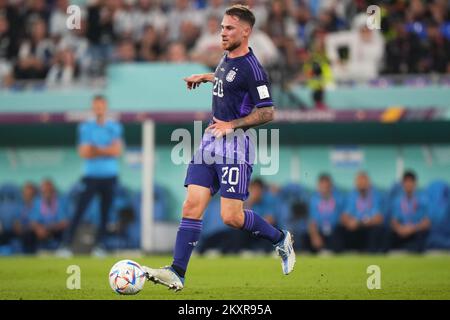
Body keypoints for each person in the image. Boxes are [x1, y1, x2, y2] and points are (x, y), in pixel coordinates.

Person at [143, 5, 295, 292]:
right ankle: (177, 272)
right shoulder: (226, 57)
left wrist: (232, 125)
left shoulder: (254, 69)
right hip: (210, 140)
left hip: (235, 147)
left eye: (229, 28)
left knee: (231, 217)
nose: (222, 32)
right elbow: (229, 80)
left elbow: (267, 112)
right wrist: (206, 77)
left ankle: (280, 239)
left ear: (246, 31)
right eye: (222, 27)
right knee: (191, 204)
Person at [58, 95, 123, 257]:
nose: (99, 108)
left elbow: (117, 151)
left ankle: (101, 246)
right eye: (96, 106)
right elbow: (84, 152)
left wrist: (96, 149)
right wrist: (106, 149)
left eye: (101, 105)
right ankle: (65, 245)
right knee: (80, 210)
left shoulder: (114, 127)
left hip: (110, 176)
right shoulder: (85, 127)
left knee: (105, 213)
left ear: (105, 107)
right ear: (93, 107)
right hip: (90, 176)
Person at [340, 172, 385, 252]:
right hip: (356, 228)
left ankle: (373, 253)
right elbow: (344, 216)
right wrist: (350, 222)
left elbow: (379, 218)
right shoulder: (351, 195)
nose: (361, 184)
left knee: (377, 230)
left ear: (369, 183)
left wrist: (362, 223)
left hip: (370, 226)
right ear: (355, 183)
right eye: (359, 181)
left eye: (364, 181)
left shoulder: (376, 195)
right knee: (341, 229)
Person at [389, 171, 430, 253]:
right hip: (401, 231)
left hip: (416, 231)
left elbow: (426, 222)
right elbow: (394, 221)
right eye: (406, 182)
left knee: (421, 235)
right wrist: (400, 229)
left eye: (411, 182)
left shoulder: (423, 200)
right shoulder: (397, 201)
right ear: (402, 184)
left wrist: (412, 229)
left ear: (415, 184)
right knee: (388, 234)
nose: (408, 184)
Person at [27, 179, 69, 253]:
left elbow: (64, 222)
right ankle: (31, 254)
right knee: (28, 233)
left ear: (53, 190)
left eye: (49, 190)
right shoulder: (37, 202)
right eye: (45, 191)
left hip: (56, 229)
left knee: (66, 231)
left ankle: (63, 250)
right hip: (41, 229)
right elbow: (33, 221)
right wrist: (39, 229)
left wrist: (51, 228)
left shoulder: (61, 201)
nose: (47, 193)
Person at [308, 174, 345, 253]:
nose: (324, 189)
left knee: (340, 230)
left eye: (327, 186)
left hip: (334, 231)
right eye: (322, 186)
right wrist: (315, 235)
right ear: (318, 186)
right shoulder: (314, 199)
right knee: (309, 234)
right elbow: (312, 221)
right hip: (320, 230)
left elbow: (343, 216)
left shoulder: (338, 197)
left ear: (331, 186)